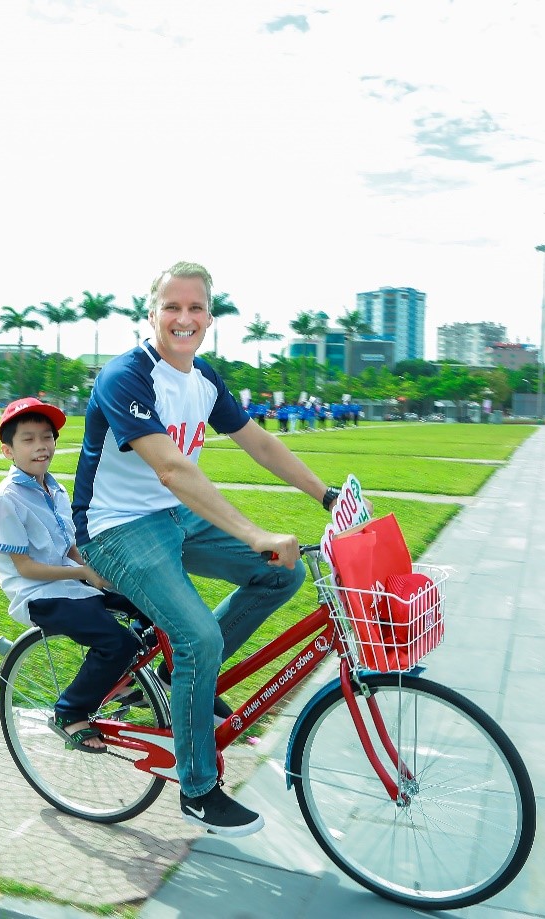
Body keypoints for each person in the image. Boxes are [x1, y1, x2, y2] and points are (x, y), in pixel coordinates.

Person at [73, 261, 345, 837]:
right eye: (172, 307)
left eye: (196, 308)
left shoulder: (204, 379)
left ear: (209, 318)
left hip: (175, 518)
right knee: (198, 634)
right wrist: (254, 533)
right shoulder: (127, 376)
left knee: (280, 576)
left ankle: (189, 681)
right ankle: (198, 790)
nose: (184, 318)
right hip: (116, 527)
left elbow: (259, 442)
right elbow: (171, 468)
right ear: (152, 314)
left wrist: (326, 495)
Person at [0, 397, 141, 753]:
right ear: (7, 450)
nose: (41, 446)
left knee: (149, 603)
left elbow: (69, 546)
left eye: (47, 437)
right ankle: (71, 709)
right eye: (28, 439)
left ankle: (123, 680)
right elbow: (24, 568)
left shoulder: (54, 489)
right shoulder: (5, 499)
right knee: (117, 642)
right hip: (39, 594)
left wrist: (98, 568)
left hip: (72, 581)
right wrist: (84, 572)